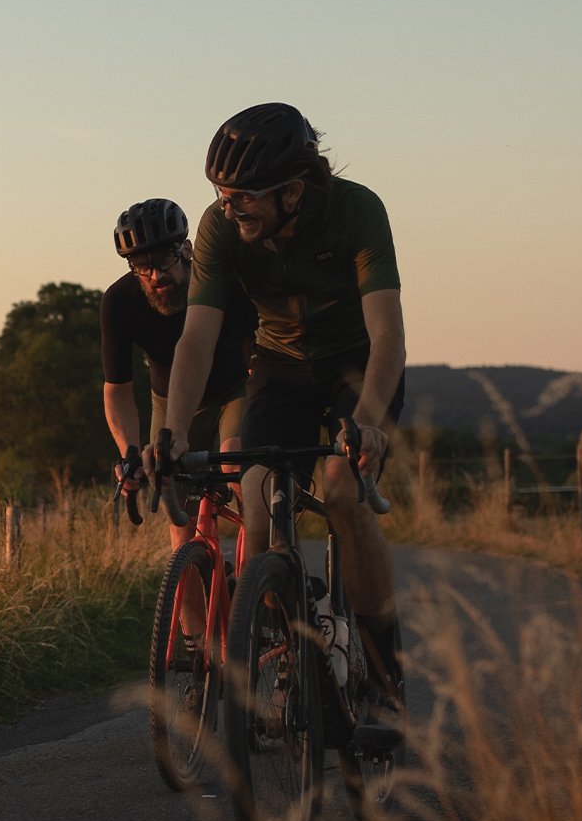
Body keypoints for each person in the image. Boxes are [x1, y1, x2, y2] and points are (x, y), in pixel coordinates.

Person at [148, 103, 407, 742]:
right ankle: (289, 652)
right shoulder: (219, 229)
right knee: (257, 502)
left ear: (293, 189)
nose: (230, 210)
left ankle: (382, 674)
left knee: (345, 495)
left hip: (356, 370)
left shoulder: (356, 210)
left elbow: (388, 335)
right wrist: (174, 434)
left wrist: (369, 422)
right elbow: (196, 338)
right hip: (281, 367)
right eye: (222, 196)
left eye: (243, 198)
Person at [101, 197, 255, 548]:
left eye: (164, 260)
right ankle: (192, 585)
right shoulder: (119, 302)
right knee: (178, 516)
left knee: (237, 469)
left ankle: (258, 579)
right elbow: (117, 389)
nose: (156, 275)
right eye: (142, 266)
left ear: (186, 249)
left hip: (235, 390)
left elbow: (254, 354)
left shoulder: (220, 280)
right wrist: (129, 452)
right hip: (170, 401)